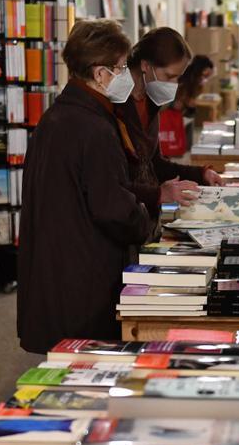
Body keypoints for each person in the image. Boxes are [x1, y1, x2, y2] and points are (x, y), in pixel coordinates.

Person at [17, 19, 156, 352]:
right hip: (85, 276)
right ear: (99, 74)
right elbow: (111, 207)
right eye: (121, 68)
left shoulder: (55, 118)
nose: (125, 76)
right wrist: (145, 221)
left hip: (55, 271)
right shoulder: (94, 128)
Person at [116, 28, 222, 213]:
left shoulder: (150, 102)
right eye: (169, 76)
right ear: (145, 66)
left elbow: (154, 163)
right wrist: (158, 194)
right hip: (123, 217)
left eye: (178, 78)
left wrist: (201, 174)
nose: (174, 85)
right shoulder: (116, 106)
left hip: (142, 219)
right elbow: (112, 185)